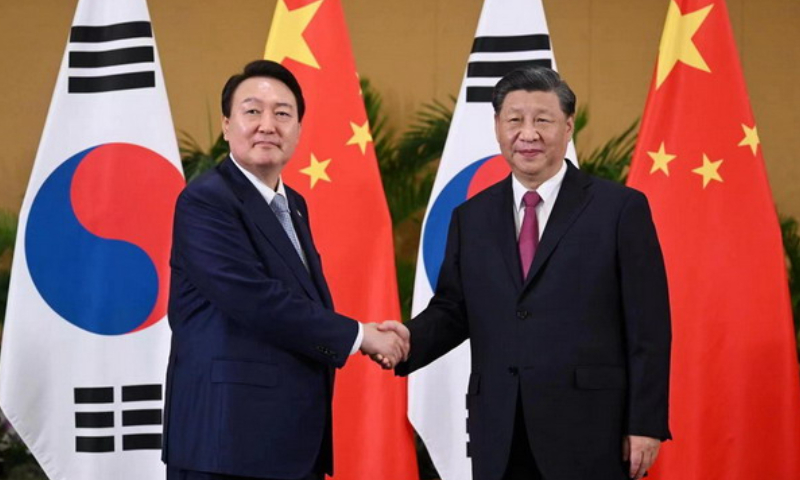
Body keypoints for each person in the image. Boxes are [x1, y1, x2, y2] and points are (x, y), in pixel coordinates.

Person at [385, 65, 671, 480]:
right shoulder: (471, 217)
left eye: (543, 120)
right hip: (499, 428)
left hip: (591, 429)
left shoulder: (620, 209)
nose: (528, 133)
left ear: (568, 126)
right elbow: (453, 309)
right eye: (514, 119)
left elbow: (649, 326)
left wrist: (645, 423)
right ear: (498, 127)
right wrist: (405, 342)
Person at [162, 60, 408, 480]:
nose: (267, 124)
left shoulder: (293, 204)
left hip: (286, 443)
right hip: (225, 443)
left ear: (298, 129)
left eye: (282, 113)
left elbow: (298, 298)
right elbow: (254, 299)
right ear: (226, 125)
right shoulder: (206, 201)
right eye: (252, 111)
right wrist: (358, 335)